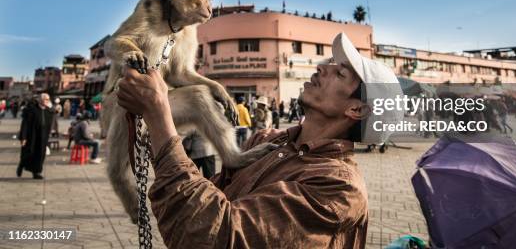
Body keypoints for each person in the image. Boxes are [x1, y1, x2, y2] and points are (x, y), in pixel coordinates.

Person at [116, 32, 401, 248]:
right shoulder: (267, 143)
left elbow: (213, 233)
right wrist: (150, 121)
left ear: (356, 109)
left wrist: (159, 115)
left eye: (340, 73)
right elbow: (203, 199)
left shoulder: (339, 188)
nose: (321, 68)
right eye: (329, 63)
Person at [17, 93, 55, 179]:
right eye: (45, 99)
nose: (47, 101)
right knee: (29, 152)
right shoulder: (32, 110)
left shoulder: (48, 111)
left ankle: (36, 172)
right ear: (40, 100)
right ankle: (21, 165)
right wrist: (23, 137)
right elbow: (25, 124)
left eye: (48, 99)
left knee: (40, 154)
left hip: (43, 136)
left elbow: (54, 114)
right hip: (32, 135)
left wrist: (51, 107)